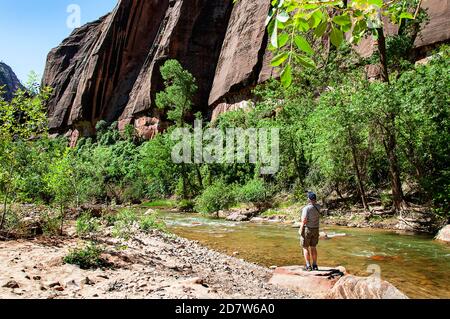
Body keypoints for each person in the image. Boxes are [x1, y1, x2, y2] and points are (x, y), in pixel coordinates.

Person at [299, 192, 321, 271]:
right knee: (313, 247)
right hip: (316, 229)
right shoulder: (318, 207)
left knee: (305, 247)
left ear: (309, 199)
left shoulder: (306, 208)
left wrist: (300, 228)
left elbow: (304, 220)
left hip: (307, 229)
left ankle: (308, 266)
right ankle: (315, 265)